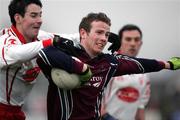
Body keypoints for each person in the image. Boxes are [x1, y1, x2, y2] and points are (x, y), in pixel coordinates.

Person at [37, 12, 180, 120]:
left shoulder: (108, 63)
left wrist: (167, 64)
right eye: (99, 32)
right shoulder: (64, 55)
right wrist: (81, 68)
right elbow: (44, 54)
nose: (104, 39)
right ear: (83, 33)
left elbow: (138, 64)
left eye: (106, 35)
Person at [0, 0, 83, 119]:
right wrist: (50, 43)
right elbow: (14, 54)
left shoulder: (40, 37)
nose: (40, 20)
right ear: (18, 18)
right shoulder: (5, 41)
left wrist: (101, 36)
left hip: (16, 112)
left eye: (40, 15)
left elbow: (71, 38)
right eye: (34, 15)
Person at [101, 24, 150, 120]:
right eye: (128, 39)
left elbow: (140, 109)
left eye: (136, 40)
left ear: (140, 43)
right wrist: (107, 117)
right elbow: (92, 100)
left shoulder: (144, 75)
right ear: (120, 42)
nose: (132, 43)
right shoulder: (108, 66)